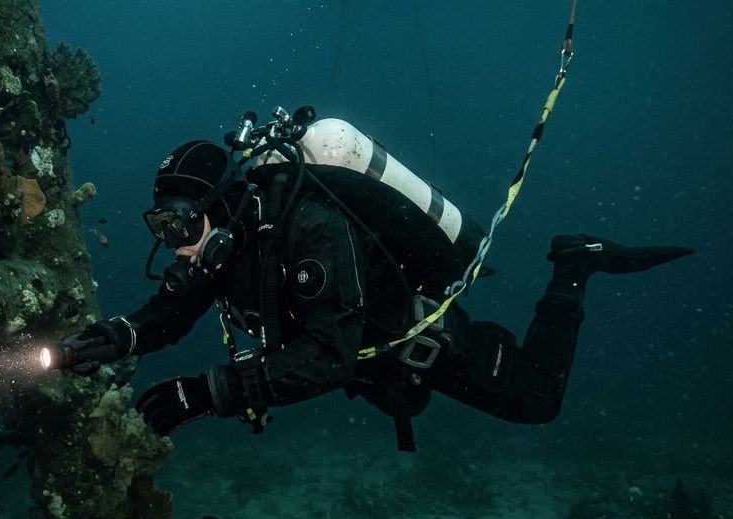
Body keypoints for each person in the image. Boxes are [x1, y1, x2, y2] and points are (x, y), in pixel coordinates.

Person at [57, 116, 693, 450]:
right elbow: (170, 314)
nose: (174, 242)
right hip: (377, 362)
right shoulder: (222, 249)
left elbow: (326, 357)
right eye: (161, 225)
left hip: (422, 342)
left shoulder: (312, 230)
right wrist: (113, 337)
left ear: (223, 206)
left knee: (538, 401)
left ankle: (574, 265)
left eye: (182, 223)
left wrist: (207, 392)